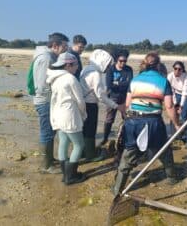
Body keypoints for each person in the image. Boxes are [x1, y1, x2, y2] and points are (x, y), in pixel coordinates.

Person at [112, 52, 180, 196]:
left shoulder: (135, 80)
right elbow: (169, 106)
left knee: (128, 153)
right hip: (153, 122)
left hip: (133, 121)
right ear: (158, 65)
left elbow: (128, 104)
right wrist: (176, 124)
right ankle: (172, 177)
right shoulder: (163, 81)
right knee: (163, 150)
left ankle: (117, 189)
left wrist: (127, 121)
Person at [46, 52, 87, 185]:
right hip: (69, 115)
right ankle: (71, 176)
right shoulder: (70, 78)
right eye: (76, 65)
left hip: (57, 114)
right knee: (78, 145)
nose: (77, 68)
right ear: (68, 65)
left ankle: (65, 174)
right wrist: (83, 114)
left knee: (63, 143)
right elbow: (80, 101)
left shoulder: (55, 77)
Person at [32, 32, 69, 174]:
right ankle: (46, 166)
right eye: (64, 46)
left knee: (51, 131)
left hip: (49, 101)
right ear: (55, 45)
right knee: (46, 132)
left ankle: (49, 159)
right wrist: (56, 95)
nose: (66, 49)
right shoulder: (45, 58)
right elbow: (41, 86)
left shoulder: (52, 57)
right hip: (45, 101)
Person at [80, 49, 124, 162]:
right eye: (108, 63)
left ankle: (83, 152)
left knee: (84, 129)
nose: (109, 66)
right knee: (90, 130)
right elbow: (100, 96)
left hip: (82, 104)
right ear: (102, 61)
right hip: (90, 105)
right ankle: (91, 155)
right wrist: (116, 106)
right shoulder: (96, 74)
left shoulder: (86, 69)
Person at [101, 49, 133, 149]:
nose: (123, 63)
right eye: (121, 61)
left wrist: (118, 84)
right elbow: (109, 85)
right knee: (109, 119)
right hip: (113, 97)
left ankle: (127, 138)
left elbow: (130, 84)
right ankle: (105, 138)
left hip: (125, 97)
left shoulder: (129, 69)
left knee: (127, 118)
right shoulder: (111, 69)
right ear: (116, 60)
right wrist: (122, 84)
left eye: (125, 61)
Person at [167, 61, 187, 142]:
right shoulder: (170, 76)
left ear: (182, 70)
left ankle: (183, 135)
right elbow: (170, 90)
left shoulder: (186, 77)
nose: (177, 71)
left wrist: (181, 105)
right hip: (175, 93)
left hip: (186, 95)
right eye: (175, 69)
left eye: (179, 69)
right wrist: (175, 103)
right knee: (173, 114)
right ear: (173, 69)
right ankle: (173, 134)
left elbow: (185, 92)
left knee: (184, 115)